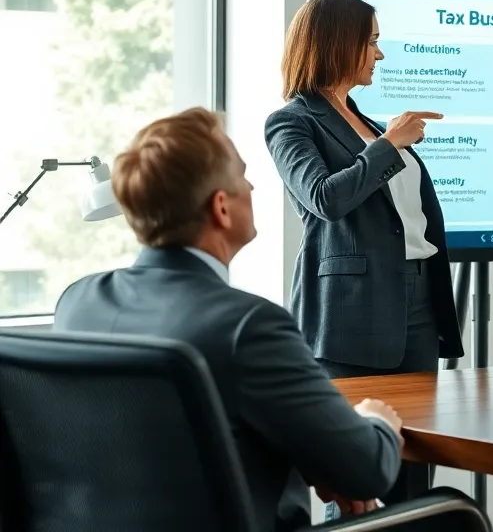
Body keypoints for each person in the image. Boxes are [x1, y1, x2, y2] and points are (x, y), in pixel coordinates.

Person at [53, 107, 406, 531]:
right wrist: (376, 420)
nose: (252, 186)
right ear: (221, 208)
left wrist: (314, 466)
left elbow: (157, 445)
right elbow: (367, 471)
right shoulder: (250, 326)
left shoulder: (77, 303)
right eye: (243, 176)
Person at [265, 0, 464, 511]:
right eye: (372, 41)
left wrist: (385, 141)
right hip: (350, 315)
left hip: (418, 305)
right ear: (339, 42)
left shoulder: (368, 124)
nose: (379, 53)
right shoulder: (291, 122)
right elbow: (325, 198)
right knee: (353, 476)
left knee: (413, 463)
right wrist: (390, 145)